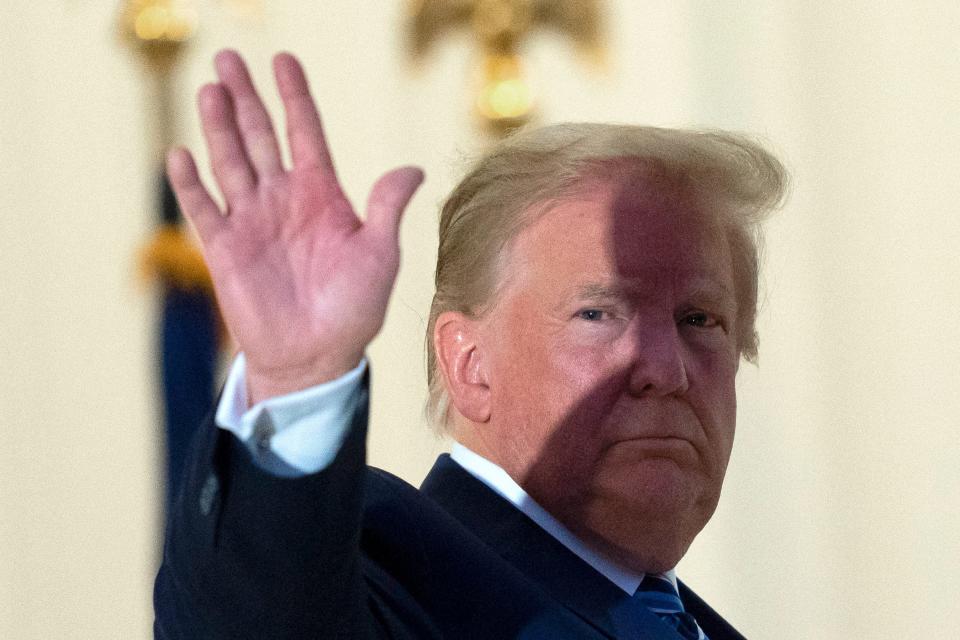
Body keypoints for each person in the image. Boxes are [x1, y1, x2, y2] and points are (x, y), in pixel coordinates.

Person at [153, 49, 786, 640]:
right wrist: (298, 380)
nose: (665, 368)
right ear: (469, 365)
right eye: (599, 313)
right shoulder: (388, 576)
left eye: (700, 320)